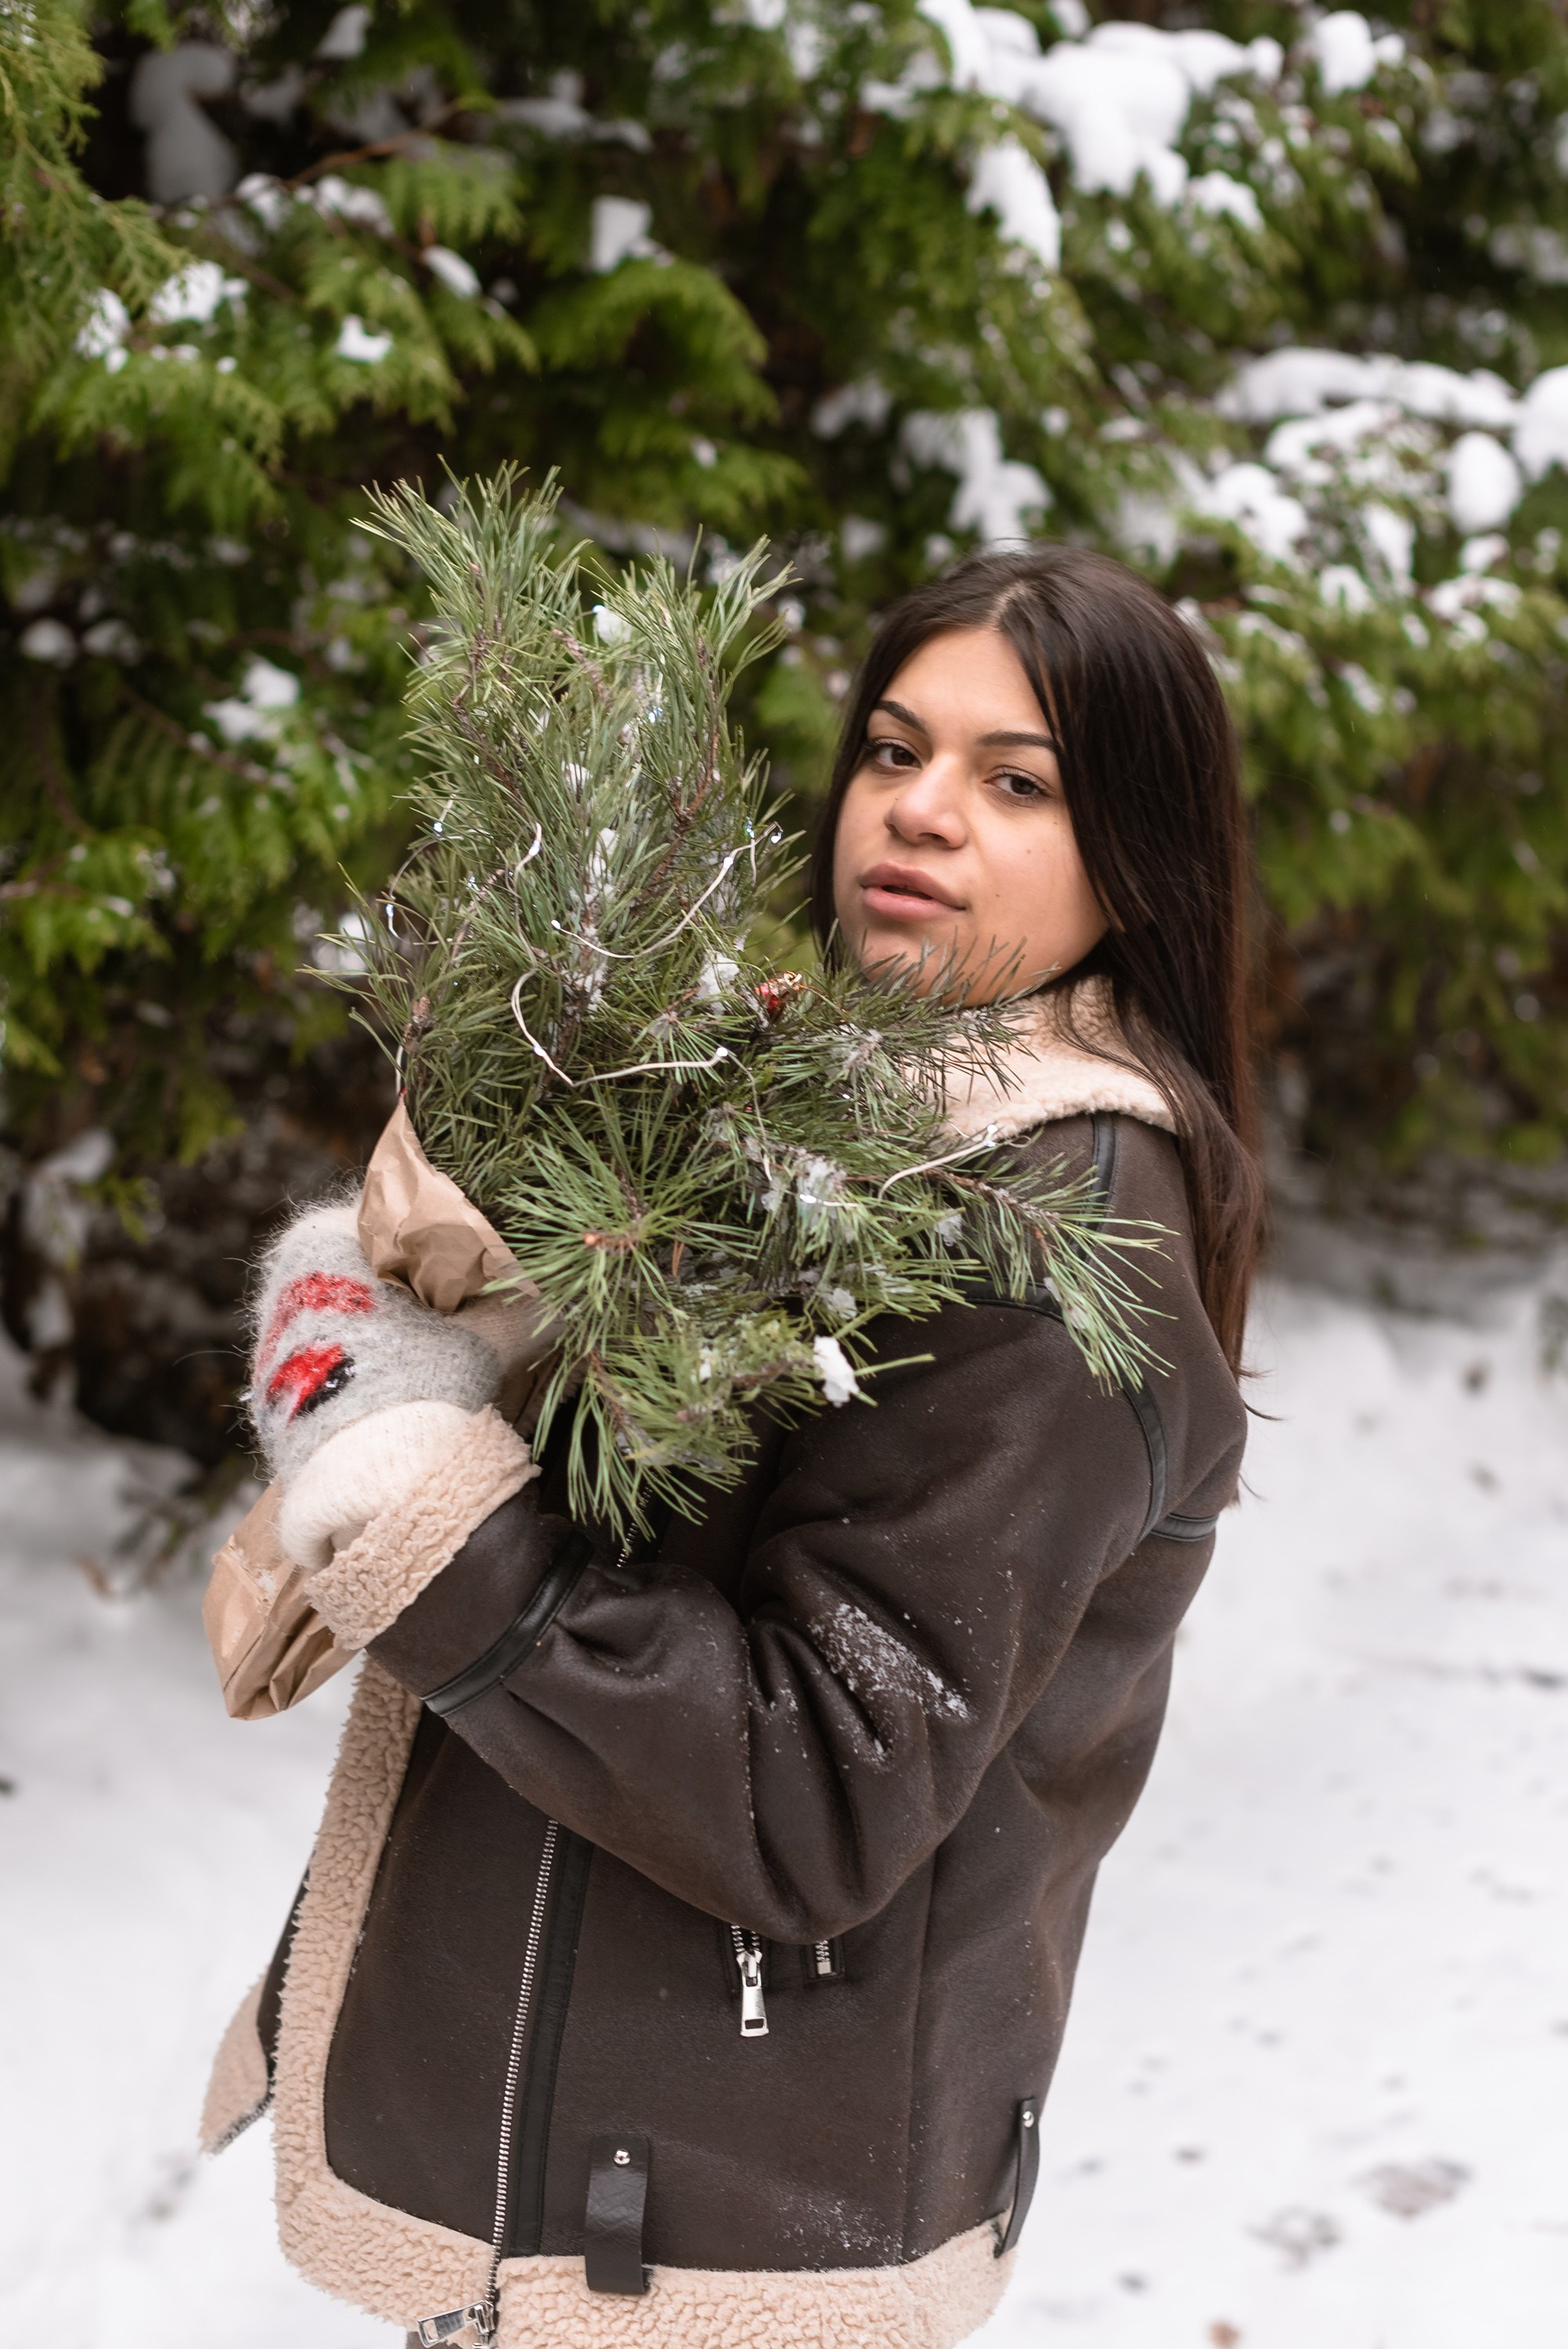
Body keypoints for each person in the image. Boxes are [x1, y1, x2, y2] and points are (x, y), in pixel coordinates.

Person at [200, 544, 1263, 2349]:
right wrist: (459, 1318)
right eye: (893, 749)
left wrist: (413, 1496)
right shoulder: (822, 1114)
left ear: (1136, 855)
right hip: (589, 2179)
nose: (920, 810)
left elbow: (814, 1784)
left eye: (1016, 782)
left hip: (707, 2250)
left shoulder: (1053, 1236)